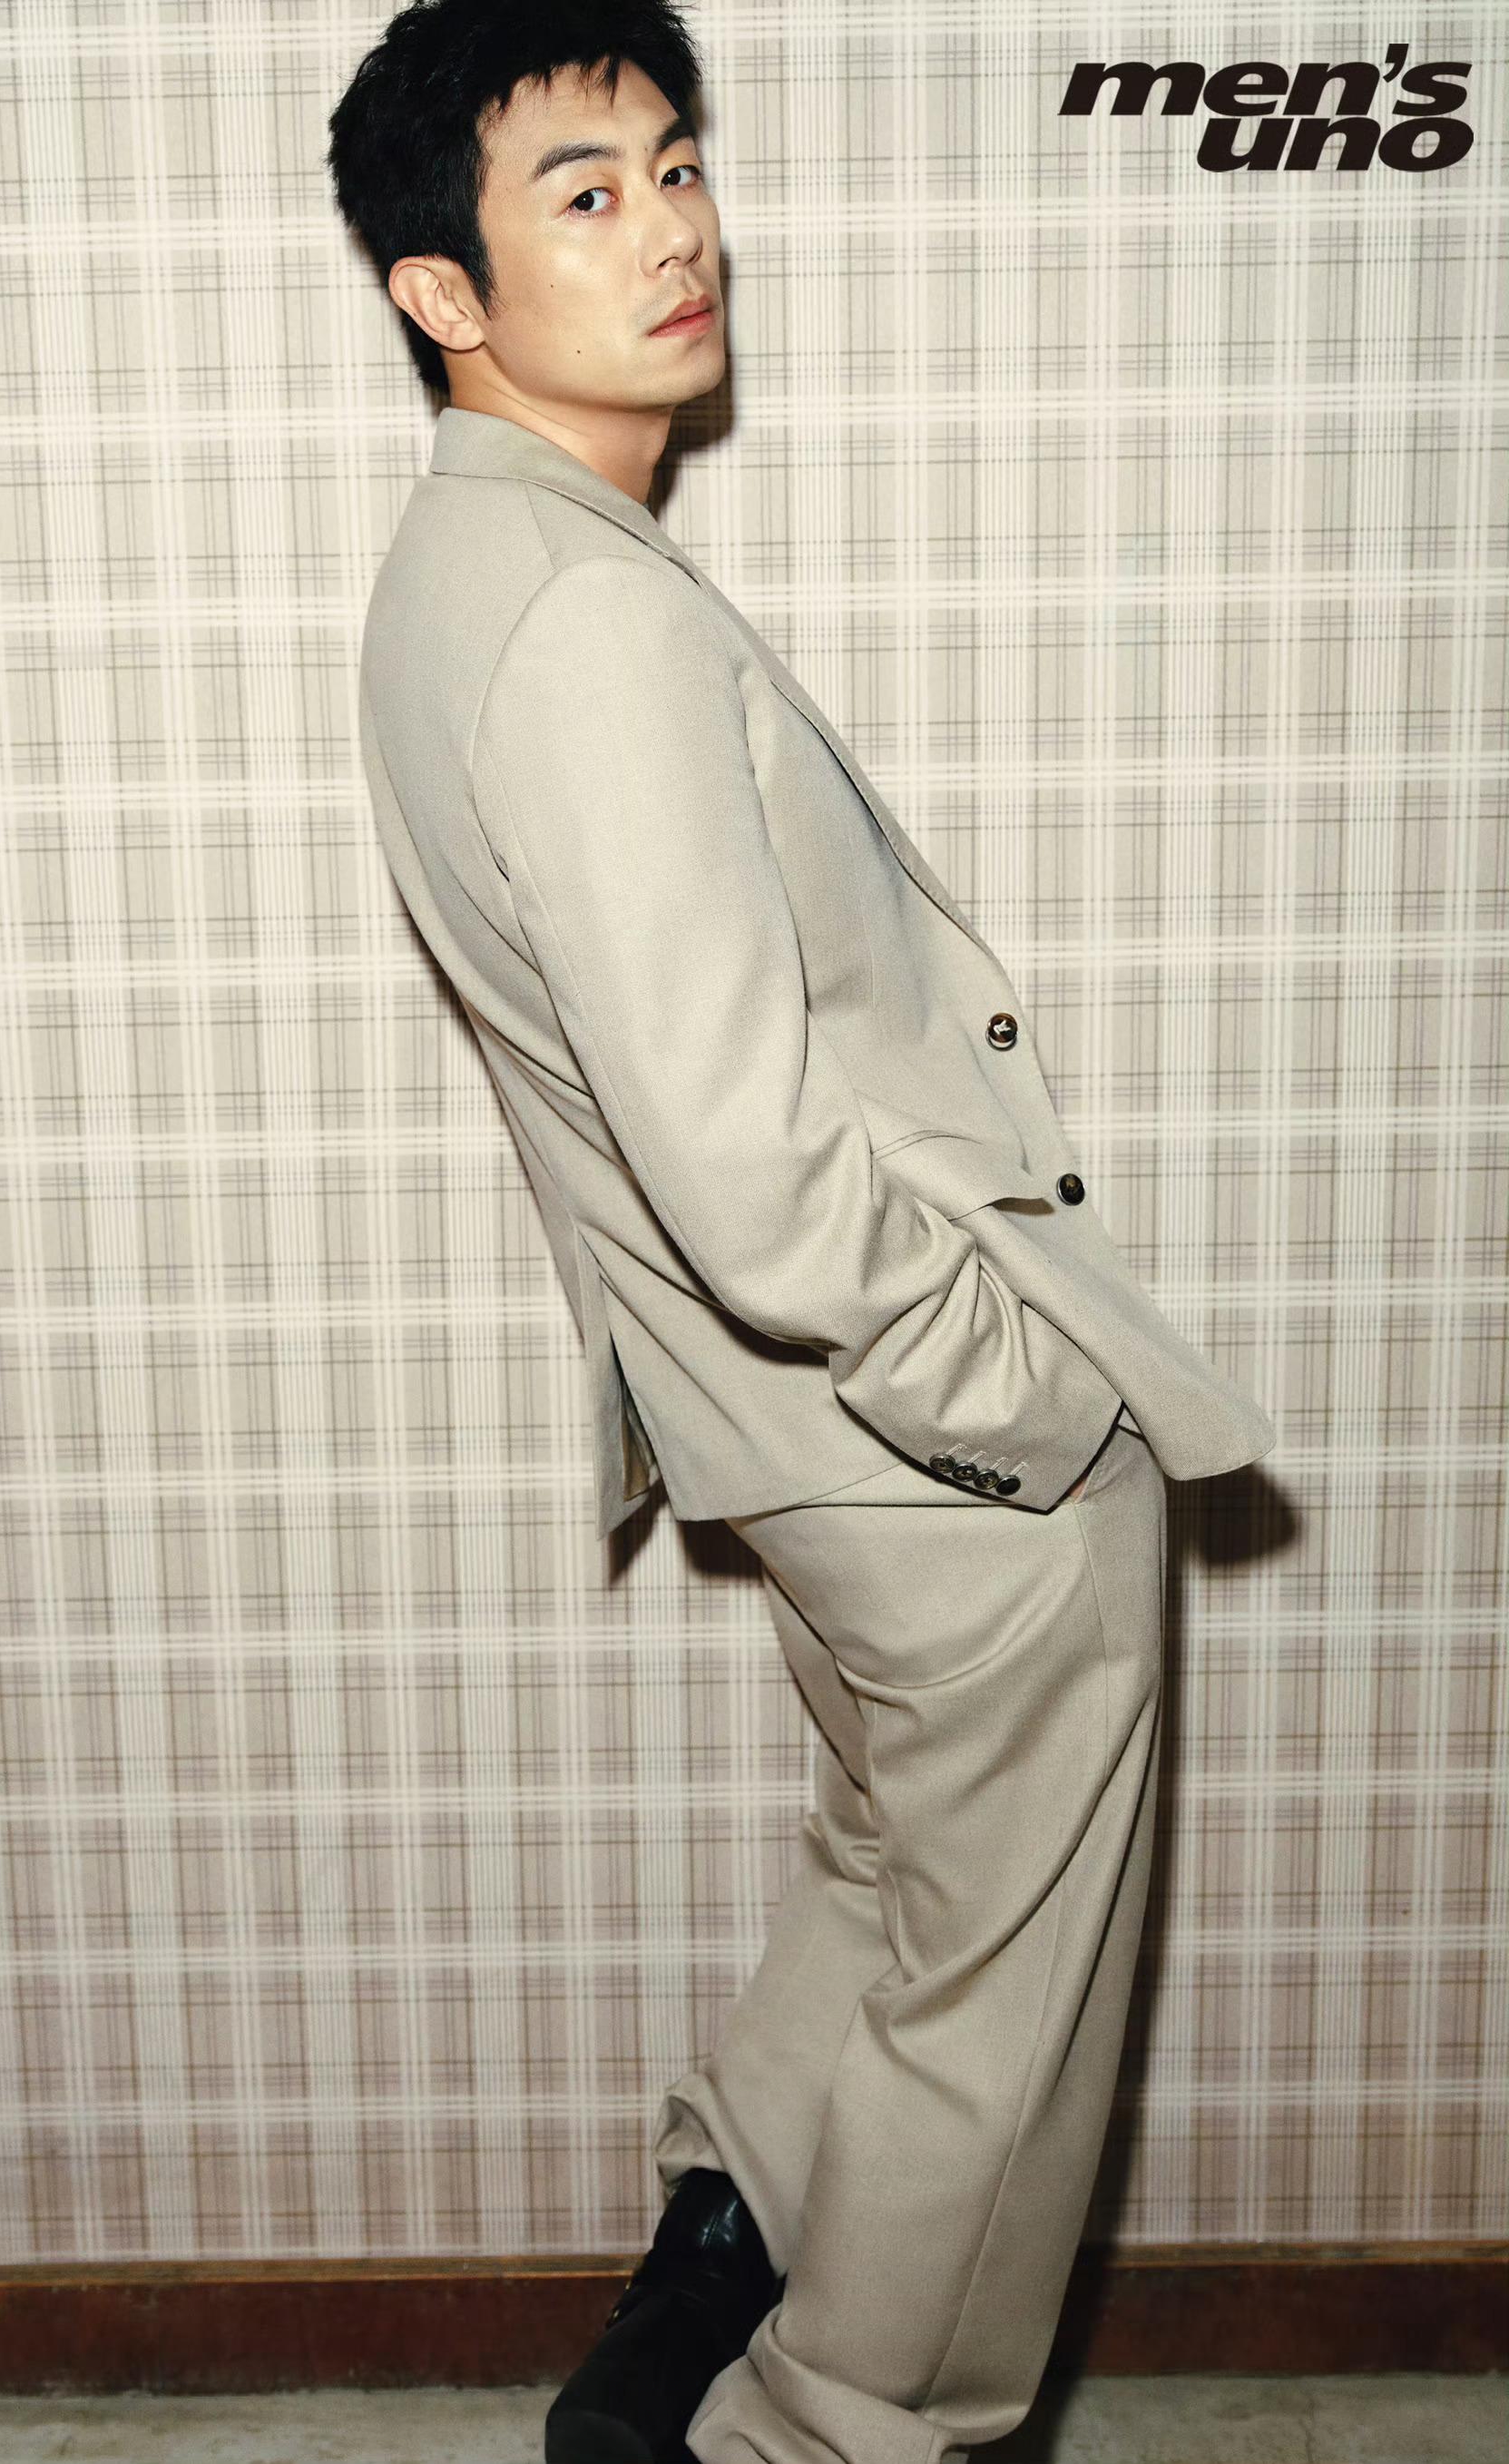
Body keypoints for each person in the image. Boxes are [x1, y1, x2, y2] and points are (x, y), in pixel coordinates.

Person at [328, 8, 1277, 2461]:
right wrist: (1034, 1419)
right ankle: (827, 2431)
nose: (674, 228)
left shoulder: (465, 571)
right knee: (999, 2023)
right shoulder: (581, 615)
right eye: (584, 194)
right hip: (922, 1449)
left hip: (814, 1448)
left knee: (885, 1874)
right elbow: (750, 1168)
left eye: (674, 165)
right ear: (442, 289)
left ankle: (705, 2297)